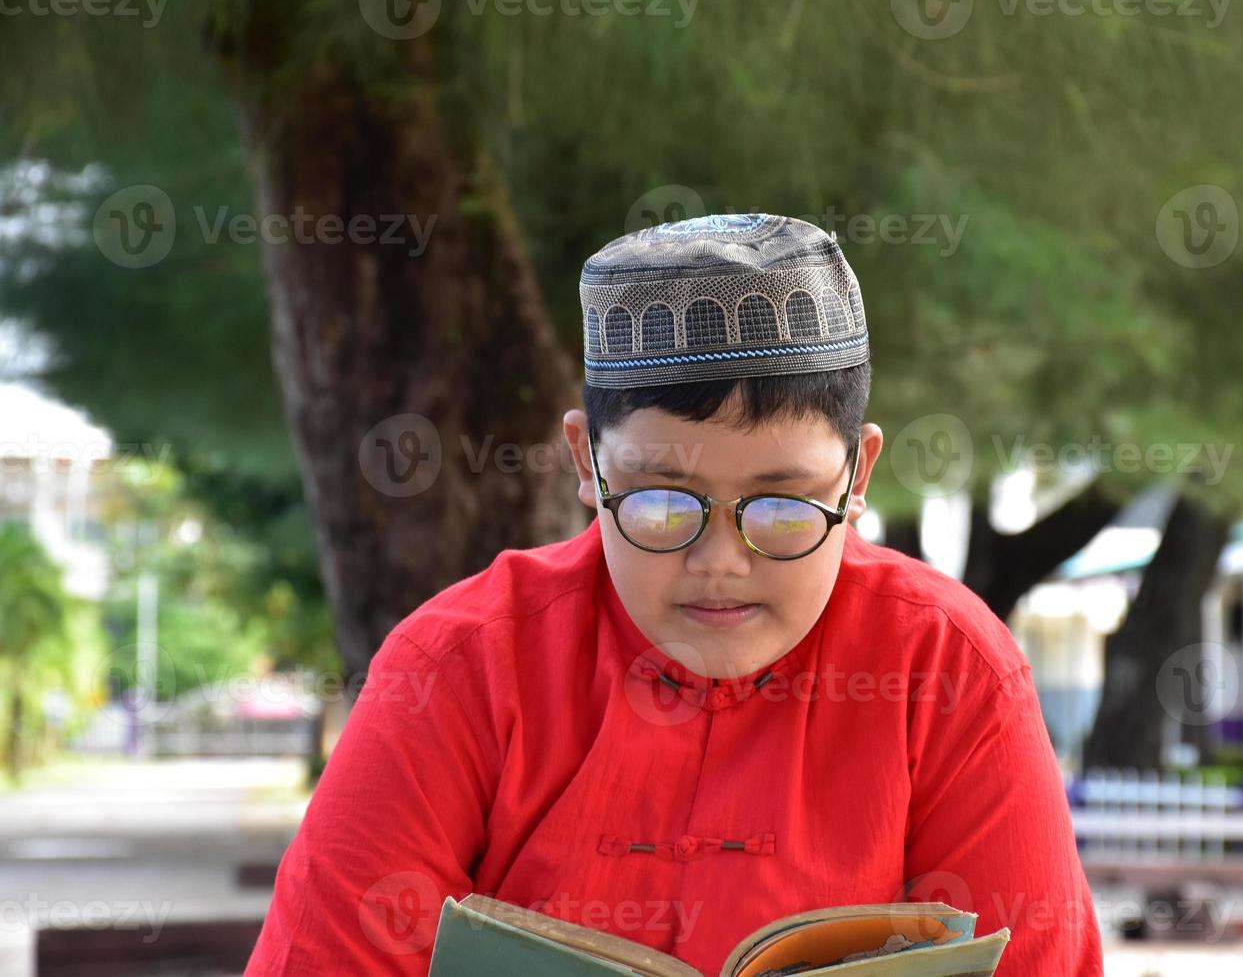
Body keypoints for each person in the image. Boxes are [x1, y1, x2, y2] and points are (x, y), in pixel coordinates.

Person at [245, 213, 1103, 975]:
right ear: (586, 462)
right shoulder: (459, 667)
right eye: (661, 503)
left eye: (782, 507)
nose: (720, 561)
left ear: (860, 472)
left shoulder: (949, 671)